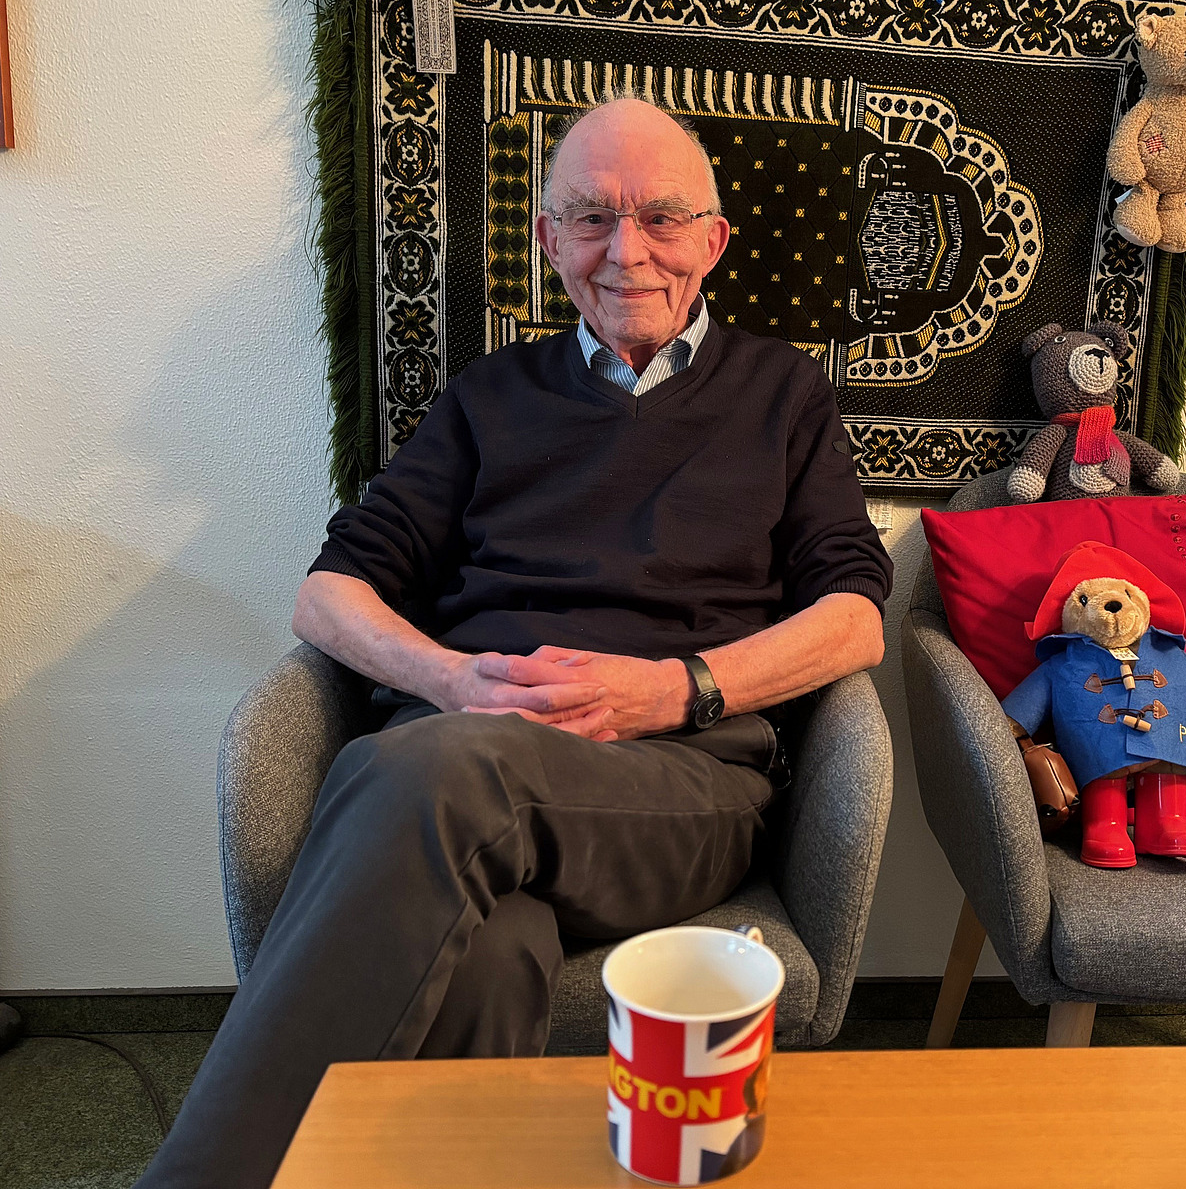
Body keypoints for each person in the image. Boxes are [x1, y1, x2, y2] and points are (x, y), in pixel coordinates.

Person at [134, 97, 891, 1189]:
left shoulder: (784, 396)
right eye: (588, 217)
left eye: (661, 218)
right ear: (545, 239)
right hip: (457, 778)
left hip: (675, 787)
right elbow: (330, 595)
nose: (624, 251)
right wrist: (446, 678)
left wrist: (675, 690)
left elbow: (855, 615)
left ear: (714, 238)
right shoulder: (489, 396)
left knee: (436, 773)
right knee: (486, 950)